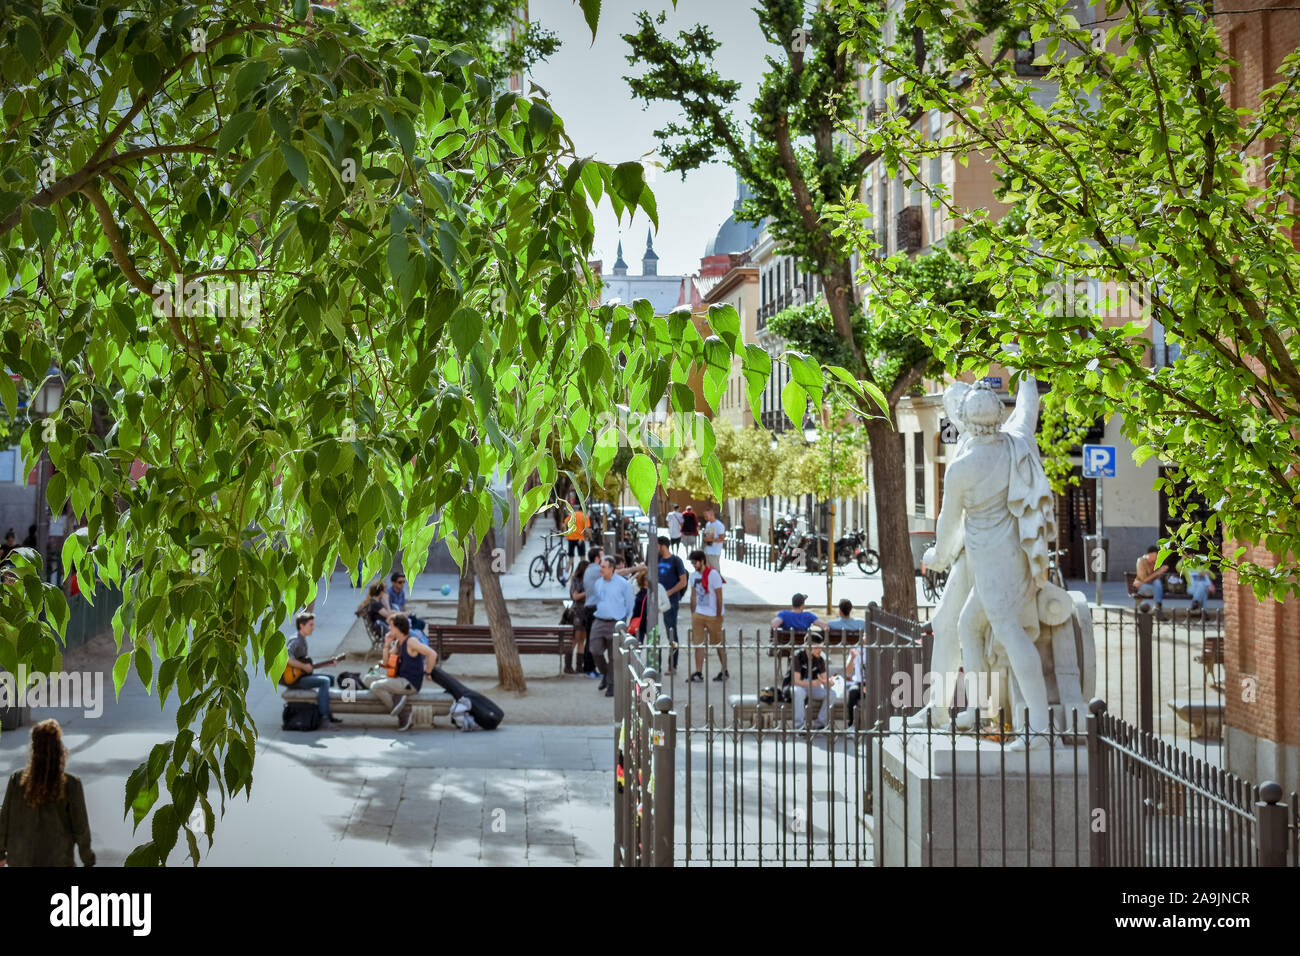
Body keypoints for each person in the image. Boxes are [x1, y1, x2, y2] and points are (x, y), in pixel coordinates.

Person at [0, 719, 95, 867]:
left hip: (21, 861)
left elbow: (4, 820)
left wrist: (1, 854)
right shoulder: (71, 785)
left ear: (33, 749)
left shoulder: (17, 781)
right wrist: (88, 859)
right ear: (59, 749)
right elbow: (81, 828)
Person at [367, 614, 439, 731]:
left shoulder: (411, 641)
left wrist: (427, 673)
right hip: (399, 679)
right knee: (368, 679)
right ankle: (398, 698)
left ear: (398, 628)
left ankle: (404, 715)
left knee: (375, 687)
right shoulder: (398, 643)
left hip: (409, 683)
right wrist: (386, 644)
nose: (389, 628)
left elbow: (432, 654)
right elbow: (386, 663)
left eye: (390, 626)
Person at [588, 556, 635, 698]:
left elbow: (630, 604)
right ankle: (605, 674)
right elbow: (597, 600)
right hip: (599, 620)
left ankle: (611, 685)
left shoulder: (623, 584)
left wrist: (625, 621)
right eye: (600, 566)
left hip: (616, 622)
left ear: (611, 569)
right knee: (595, 650)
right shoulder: (598, 583)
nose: (600, 569)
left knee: (614, 656)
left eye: (603, 567)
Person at [284, 612, 342, 724]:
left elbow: (306, 663)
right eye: (311, 625)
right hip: (294, 679)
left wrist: (327, 663)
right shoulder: (295, 640)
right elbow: (287, 658)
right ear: (302, 625)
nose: (313, 628)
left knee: (330, 678)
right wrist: (304, 666)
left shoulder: (302, 639)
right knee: (324, 682)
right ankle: (324, 718)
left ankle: (327, 712)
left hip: (301, 675)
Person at [687, 549, 728, 682]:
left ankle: (724, 669)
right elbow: (693, 595)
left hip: (713, 615)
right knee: (698, 644)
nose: (694, 565)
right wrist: (693, 613)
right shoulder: (693, 576)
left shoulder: (713, 574)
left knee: (718, 643)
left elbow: (719, 595)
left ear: (702, 561)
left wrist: (717, 615)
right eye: (692, 563)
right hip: (699, 613)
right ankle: (698, 672)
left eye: (695, 562)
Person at [656, 536, 688, 674]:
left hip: (671, 602)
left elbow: (683, 582)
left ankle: (672, 665)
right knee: (655, 633)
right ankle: (656, 665)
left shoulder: (676, 561)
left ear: (663, 546)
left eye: (656, 545)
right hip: (656, 602)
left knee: (671, 633)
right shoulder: (656, 560)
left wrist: (668, 593)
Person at [791, 632, 835, 730]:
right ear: (808, 647)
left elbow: (824, 679)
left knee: (831, 693)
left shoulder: (820, 658)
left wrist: (829, 683)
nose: (820, 650)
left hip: (814, 686)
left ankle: (819, 724)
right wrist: (812, 683)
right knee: (798, 692)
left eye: (821, 646)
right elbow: (795, 681)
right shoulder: (797, 656)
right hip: (799, 686)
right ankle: (799, 727)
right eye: (817, 647)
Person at [568, 556, 594, 676]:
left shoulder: (588, 580)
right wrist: (587, 592)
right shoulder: (577, 580)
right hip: (578, 611)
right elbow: (575, 596)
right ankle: (568, 665)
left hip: (586, 611)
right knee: (575, 639)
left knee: (582, 640)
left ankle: (579, 666)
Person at [1135, 545, 1172, 620]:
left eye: (1157, 557)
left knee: (1158, 583)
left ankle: (1158, 607)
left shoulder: (1156, 563)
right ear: (1149, 555)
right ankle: (1158, 609)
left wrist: (1161, 572)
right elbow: (1142, 580)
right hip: (1142, 587)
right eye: (1154, 556)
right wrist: (1158, 572)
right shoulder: (1141, 561)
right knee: (1158, 587)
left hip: (1154, 588)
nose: (1155, 559)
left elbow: (1157, 579)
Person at [701, 507, 726, 571]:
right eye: (704, 516)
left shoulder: (719, 525)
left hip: (714, 552)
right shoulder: (708, 524)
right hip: (707, 551)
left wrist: (711, 540)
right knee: (708, 572)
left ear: (712, 515)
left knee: (715, 572)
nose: (705, 518)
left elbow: (722, 539)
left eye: (706, 516)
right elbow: (708, 535)